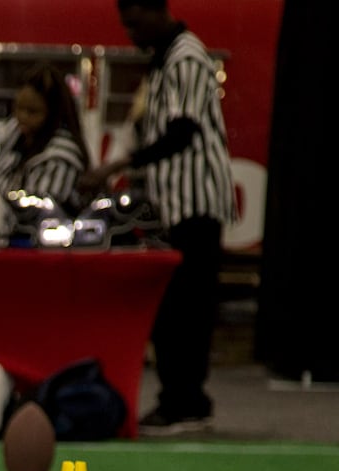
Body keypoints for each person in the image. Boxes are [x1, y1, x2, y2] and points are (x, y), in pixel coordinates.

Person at [79, 0, 233, 435]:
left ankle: (187, 402)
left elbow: (181, 133)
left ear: (156, 10)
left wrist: (115, 167)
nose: (130, 33)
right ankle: (180, 398)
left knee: (188, 309)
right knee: (174, 308)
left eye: (133, 22)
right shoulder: (162, 61)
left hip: (195, 203)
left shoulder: (186, 56)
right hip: (173, 204)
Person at [0, 63, 90, 209]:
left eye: (32, 112)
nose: (22, 117)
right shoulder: (14, 134)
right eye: (18, 108)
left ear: (53, 113)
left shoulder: (61, 156)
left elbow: (42, 211)